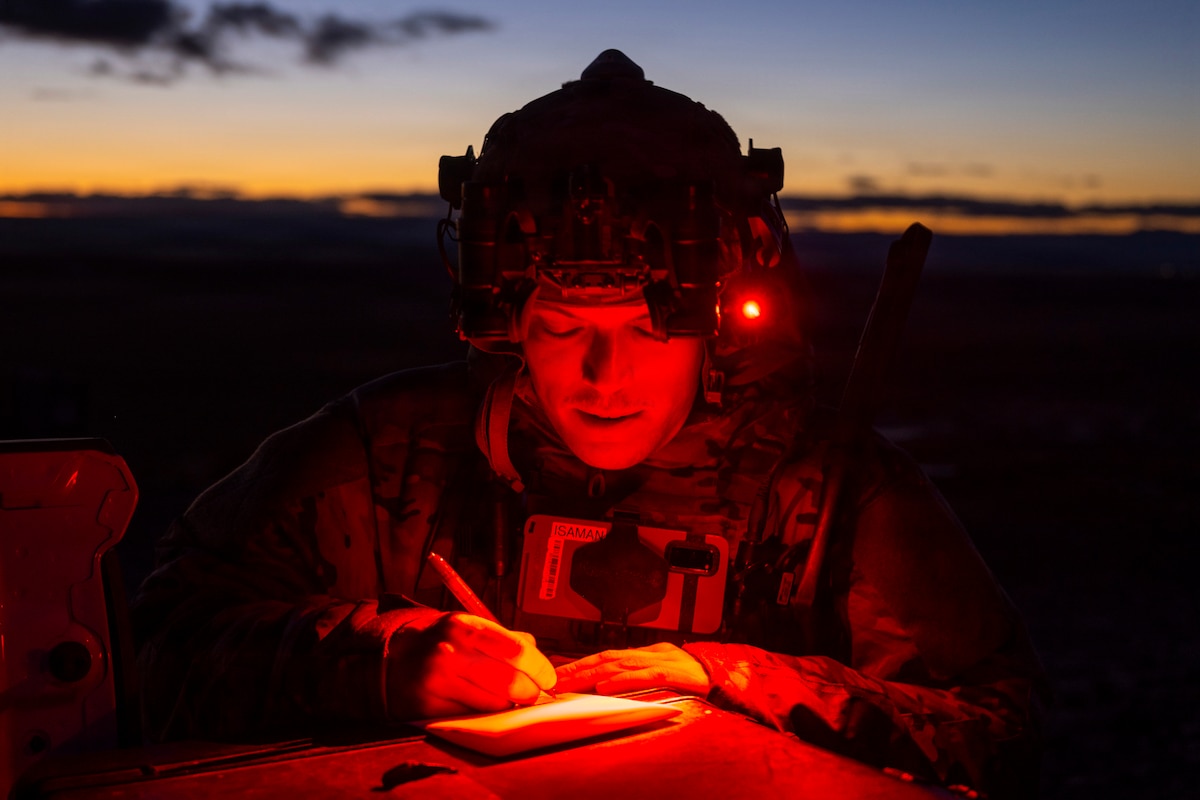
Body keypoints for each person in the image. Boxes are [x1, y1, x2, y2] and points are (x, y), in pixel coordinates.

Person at [133, 50, 1047, 797]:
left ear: (720, 321)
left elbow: (999, 730)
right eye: (562, 327)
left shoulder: (828, 492)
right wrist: (381, 659)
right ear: (505, 323)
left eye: (649, 329)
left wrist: (728, 677)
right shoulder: (389, 455)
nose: (603, 376)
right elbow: (152, 641)